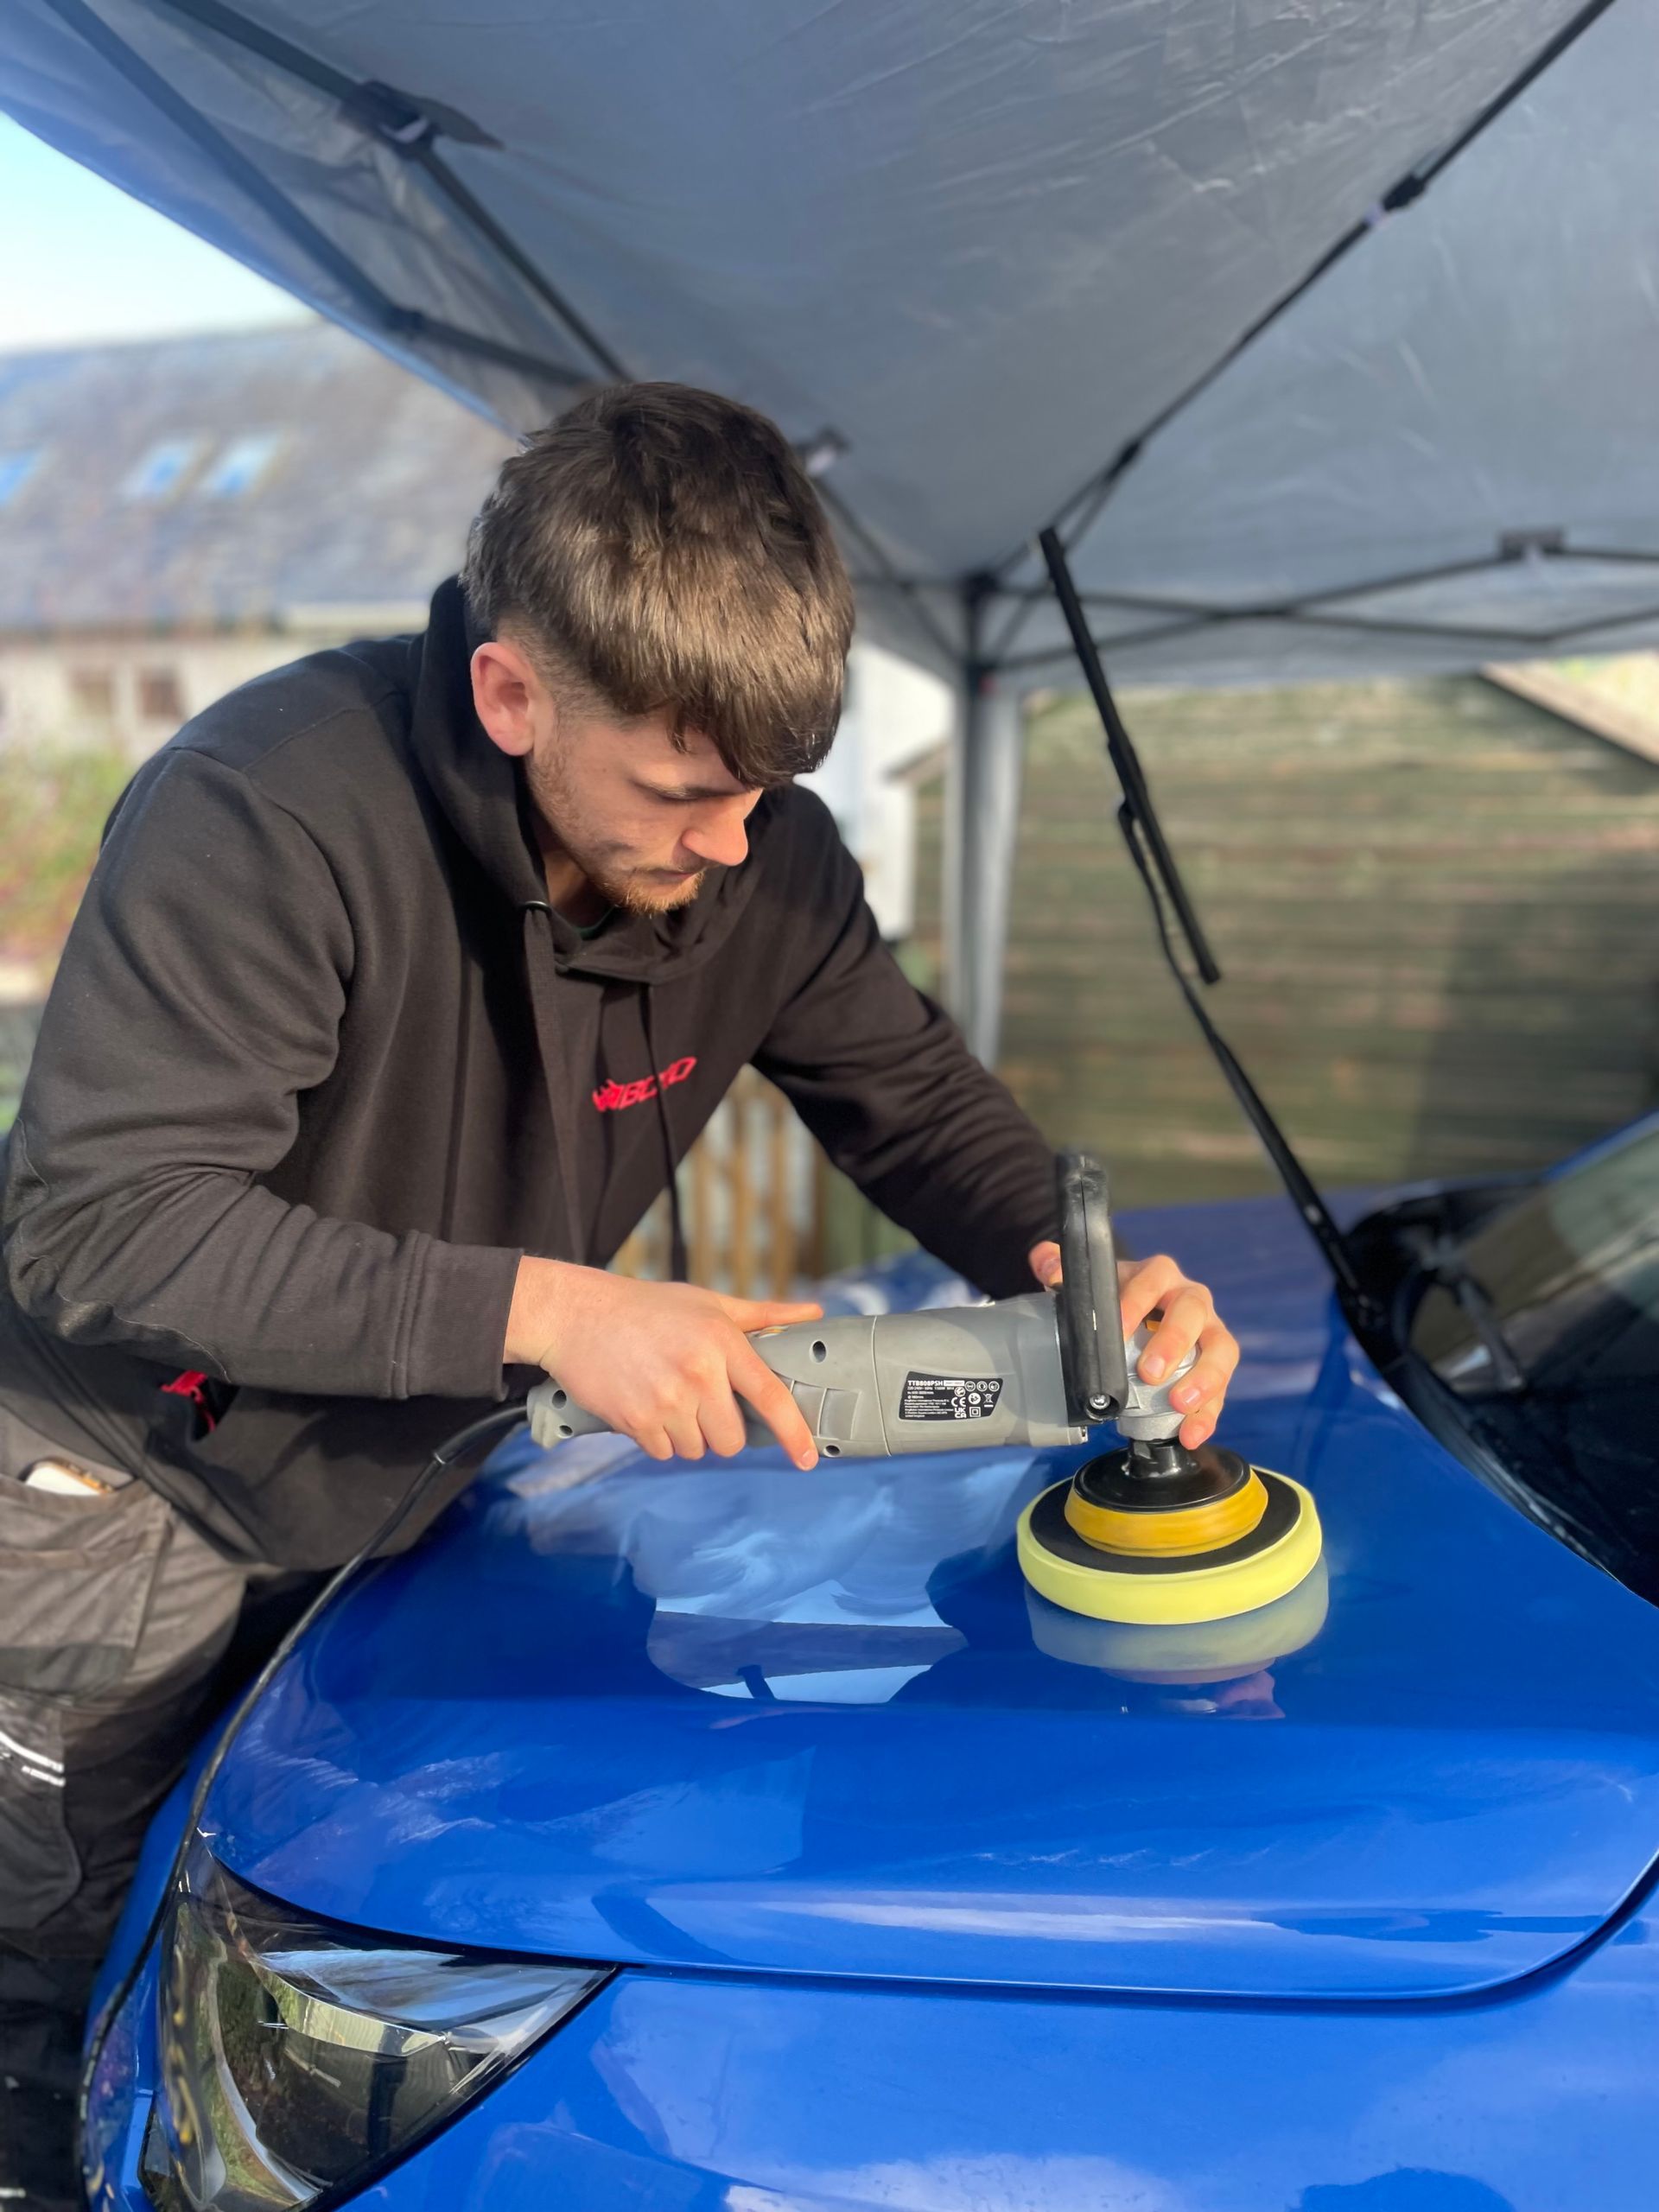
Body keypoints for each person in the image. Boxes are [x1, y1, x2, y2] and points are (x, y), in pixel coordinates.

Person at [0, 381, 1237, 2206]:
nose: (735, 844)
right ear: (512, 693)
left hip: (395, 1490)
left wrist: (1092, 1285)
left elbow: (918, 1108)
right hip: (122, 1494)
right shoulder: (270, 811)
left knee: (304, 1961)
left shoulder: (761, 863)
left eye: (768, 789)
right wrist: (553, 1308)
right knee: (49, 1984)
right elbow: (100, 1222)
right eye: (689, 789)